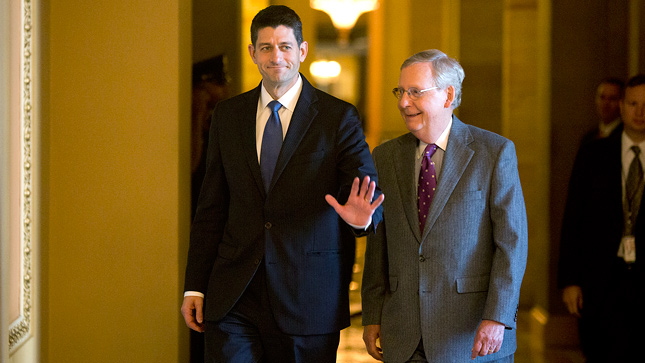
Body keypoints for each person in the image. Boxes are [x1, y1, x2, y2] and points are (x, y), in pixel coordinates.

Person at [181, 5, 384, 363]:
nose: (277, 56)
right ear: (253, 53)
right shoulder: (229, 116)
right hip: (234, 295)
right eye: (266, 47)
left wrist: (361, 219)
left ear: (302, 51)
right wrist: (195, 285)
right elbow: (211, 208)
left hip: (307, 296)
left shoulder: (337, 117)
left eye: (285, 46)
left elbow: (364, 189)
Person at [361, 49, 528, 362]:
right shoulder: (385, 157)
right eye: (400, 91)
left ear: (448, 94)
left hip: (471, 336)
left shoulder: (493, 153)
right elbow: (378, 244)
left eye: (415, 92)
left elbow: (512, 245)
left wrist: (498, 317)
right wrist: (372, 314)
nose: (403, 102)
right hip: (404, 335)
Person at [558, 74, 645, 362]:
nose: (639, 112)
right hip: (601, 282)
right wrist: (570, 280)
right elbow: (574, 218)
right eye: (633, 104)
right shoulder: (593, 153)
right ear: (622, 106)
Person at [579, 78, 624, 145]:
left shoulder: (624, 136)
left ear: (621, 103)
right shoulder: (588, 138)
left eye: (612, 99)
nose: (606, 103)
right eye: (602, 97)